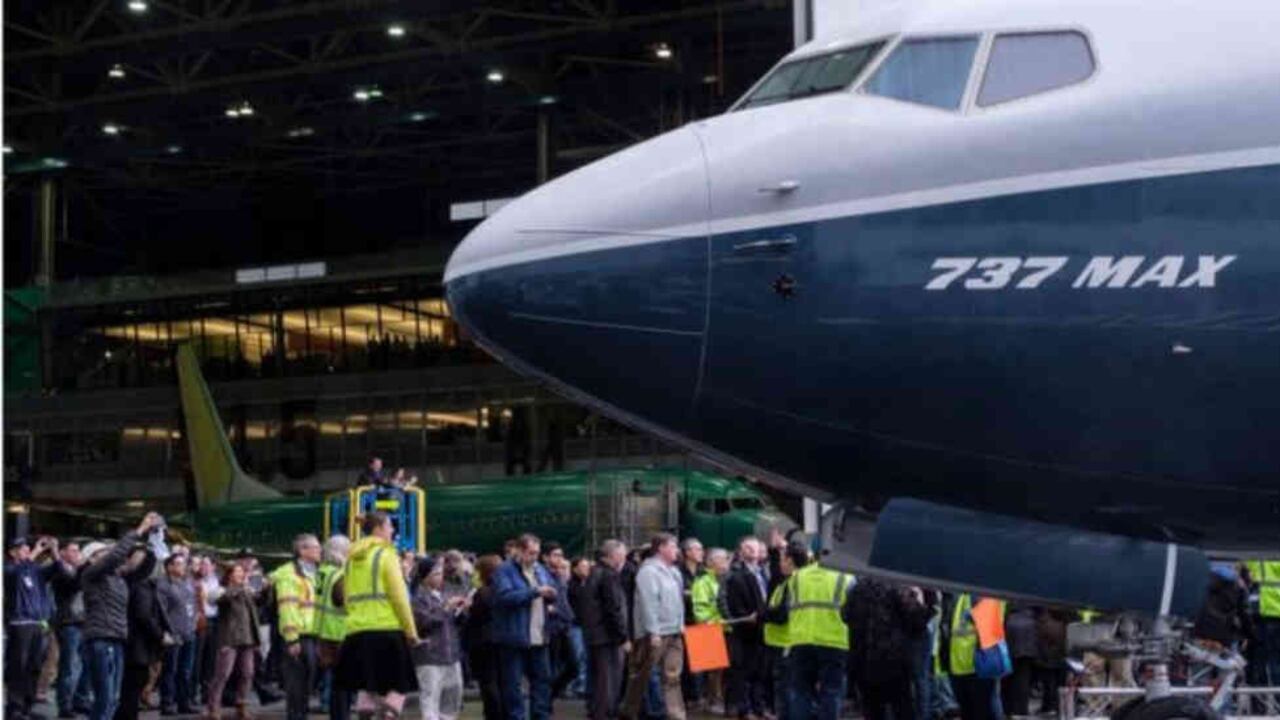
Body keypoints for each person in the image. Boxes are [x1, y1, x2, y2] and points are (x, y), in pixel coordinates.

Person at [335, 513, 419, 720]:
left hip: (357, 631)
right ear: (379, 528)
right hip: (387, 628)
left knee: (368, 683)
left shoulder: (351, 559)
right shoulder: (386, 554)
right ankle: (388, 712)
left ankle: (366, 708)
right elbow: (399, 596)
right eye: (390, 526)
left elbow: (346, 595)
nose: (392, 531)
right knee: (400, 684)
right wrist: (411, 631)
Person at [81, 513, 163, 720]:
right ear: (92, 558)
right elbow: (117, 555)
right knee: (105, 697)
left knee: (114, 698)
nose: (109, 554)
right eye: (103, 552)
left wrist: (153, 541)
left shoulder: (118, 577)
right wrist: (140, 528)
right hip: (100, 638)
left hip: (117, 638)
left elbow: (143, 568)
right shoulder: (92, 574)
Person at [492, 533, 558, 720]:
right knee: (513, 685)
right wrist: (535, 592)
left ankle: (541, 716)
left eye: (536, 553)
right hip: (514, 637)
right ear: (519, 551)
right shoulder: (504, 571)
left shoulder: (540, 570)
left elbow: (554, 591)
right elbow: (504, 598)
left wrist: (552, 595)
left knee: (542, 682)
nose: (534, 557)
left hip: (539, 636)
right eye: (530, 553)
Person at [620, 533, 686, 720]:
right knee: (641, 675)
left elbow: (678, 601)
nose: (676, 551)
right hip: (654, 633)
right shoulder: (648, 571)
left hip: (673, 631)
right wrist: (653, 631)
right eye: (672, 546)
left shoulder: (674, 571)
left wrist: (680, 624)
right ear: (661, 548)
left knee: (672, 676)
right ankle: (628, 710)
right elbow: (649, 603)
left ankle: (676, 715)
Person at [846, 577, 929, 720]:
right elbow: (917, 621)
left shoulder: (858, 589)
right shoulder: (898, 586)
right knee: (902, 708)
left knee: (873, 710)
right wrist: (922, 604)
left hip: (865, 662)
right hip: (894, 661)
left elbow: (845, 615)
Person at [5, 536, 58, 720]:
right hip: (20, 623)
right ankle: (15, 708)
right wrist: (35, 553)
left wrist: (55, 551)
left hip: (38, 624)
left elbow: (57, 571)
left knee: (34, 666)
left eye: (28, 547)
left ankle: (27, 706)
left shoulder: (35, 569)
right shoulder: (9, 568)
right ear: (12, 552)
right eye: (23, 548)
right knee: (19, 666)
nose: (28, 550)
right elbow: (15, 574)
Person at [271, 534, 322, 720]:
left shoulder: (314, 572)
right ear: (302, 551)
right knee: (296, 686)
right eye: (315, 547)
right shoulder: (289, 574)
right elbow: (288, 608)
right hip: (298, 637)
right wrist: (292, 638)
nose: (319, 550)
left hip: (312, 634)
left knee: (306, 685)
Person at [412, 556, 469, 720]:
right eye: (436, 573)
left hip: (451, 654)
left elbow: (457, 623)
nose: (440, 576)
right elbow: (424, 623)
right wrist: (446, 608)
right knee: (430, 698)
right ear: (425, 577)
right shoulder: (418, 598)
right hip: (429, 656)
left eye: (440, 573)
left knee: (453, 697)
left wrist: (462, 610)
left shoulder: (446, 593)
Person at [719, 536, 769, 720]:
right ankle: (744, 709)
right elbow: (725, 600)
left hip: (763, 629)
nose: (753, 551)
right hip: (744, 628)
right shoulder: (734, 575)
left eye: (755, 547)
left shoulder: (763, 572)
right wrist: (737, 619)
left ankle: (759, 707)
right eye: (748, 548)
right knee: (742, 671)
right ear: (740, 552)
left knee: (760, 671)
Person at [120, 547, 170, 720]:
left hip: (135, 644)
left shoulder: (135, 582)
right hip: (137, 645)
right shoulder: (141, 585)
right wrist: (160, 635)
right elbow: (144, 615)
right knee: (133, 686)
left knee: (131, 687)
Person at [581, 540, 630, 720]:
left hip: (595, 635)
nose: (624, 557)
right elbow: (613, 609)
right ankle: (605, 714)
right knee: (609, 681)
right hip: (608, 637)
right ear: (613, 555)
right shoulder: (609, 576)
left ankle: (597, 712)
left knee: (598, 679)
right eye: (622, 553)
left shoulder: (593, 573)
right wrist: (623, 637)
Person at [205, 562, 260, 720]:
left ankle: (241, 705)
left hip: (247, 638)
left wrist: (266, 589)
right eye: (237, 572)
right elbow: (222, 599)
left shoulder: (246, 591)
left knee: (248, 673)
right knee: (222, 674)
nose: (241, 575)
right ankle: (213, 708)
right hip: (228, 638)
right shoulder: (222, 590)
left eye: (242, 572)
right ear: (229, 575)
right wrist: (240, 588)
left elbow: (260, 602)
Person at [942, 594, 1003, 720]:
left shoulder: (981, 592)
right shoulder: (957, 595)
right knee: (970, 711)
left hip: (978, 665)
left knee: (983, 711)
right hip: (959, 665)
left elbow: (990, 629)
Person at [51, 539, 93, 719]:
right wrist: (85, 566)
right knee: (69, 667)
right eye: (73, 550)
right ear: (62, 553)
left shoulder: (79, 571)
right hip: (69, 623)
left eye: (78, 551)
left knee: (85, 665)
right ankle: (65, 705)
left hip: (84, 623)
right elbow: (72, 584)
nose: (77, 554)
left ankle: (81, 700)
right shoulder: (59, 570)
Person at [463, 555, 505, 720]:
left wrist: (467, 608)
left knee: (488, 682)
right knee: (500, 681)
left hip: (483, 641)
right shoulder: (503, 589)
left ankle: (493, 714)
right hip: (501, 639)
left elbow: (475, 616)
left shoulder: (483, 592)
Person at [158, 554, 199, 715]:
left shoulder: (186, 583)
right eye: (178, 564)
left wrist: (194, 620)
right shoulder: (163, 585)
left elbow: (192, 605)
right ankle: (167, 703)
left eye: (183, 564)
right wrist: (167, 632)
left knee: (186, 670)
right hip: (173, 633)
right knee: (170, 670)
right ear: (169, 567)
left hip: (189, 632)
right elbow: (162, 610)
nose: (182, 567)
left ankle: (184, 702)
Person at [691, 548, 730, 715]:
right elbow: (700, 609)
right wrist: (714, 622)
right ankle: (713, 701)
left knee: (721, 671)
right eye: (723, 560)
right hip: (709, 630)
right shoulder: (703, 582)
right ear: (711, 562)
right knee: (713, 671)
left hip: (725, 629)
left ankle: (718, 699)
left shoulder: (724, 579)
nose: (726, 563)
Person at [317, 536, 351, 720]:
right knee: (341, 683)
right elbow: (343, 602)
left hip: (321, 629)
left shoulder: (321, 571)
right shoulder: (339, 574)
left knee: (330, 678)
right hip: (338, 631)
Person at [678, 538, 705, 708]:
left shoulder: (703, 573)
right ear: (687, 552)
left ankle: (698, 697)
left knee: (702, 663)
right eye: (698, 549)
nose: (701, 552)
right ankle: (687, 697)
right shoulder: (678, 572)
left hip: (702, 621)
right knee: (686, 663)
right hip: (686, 621)